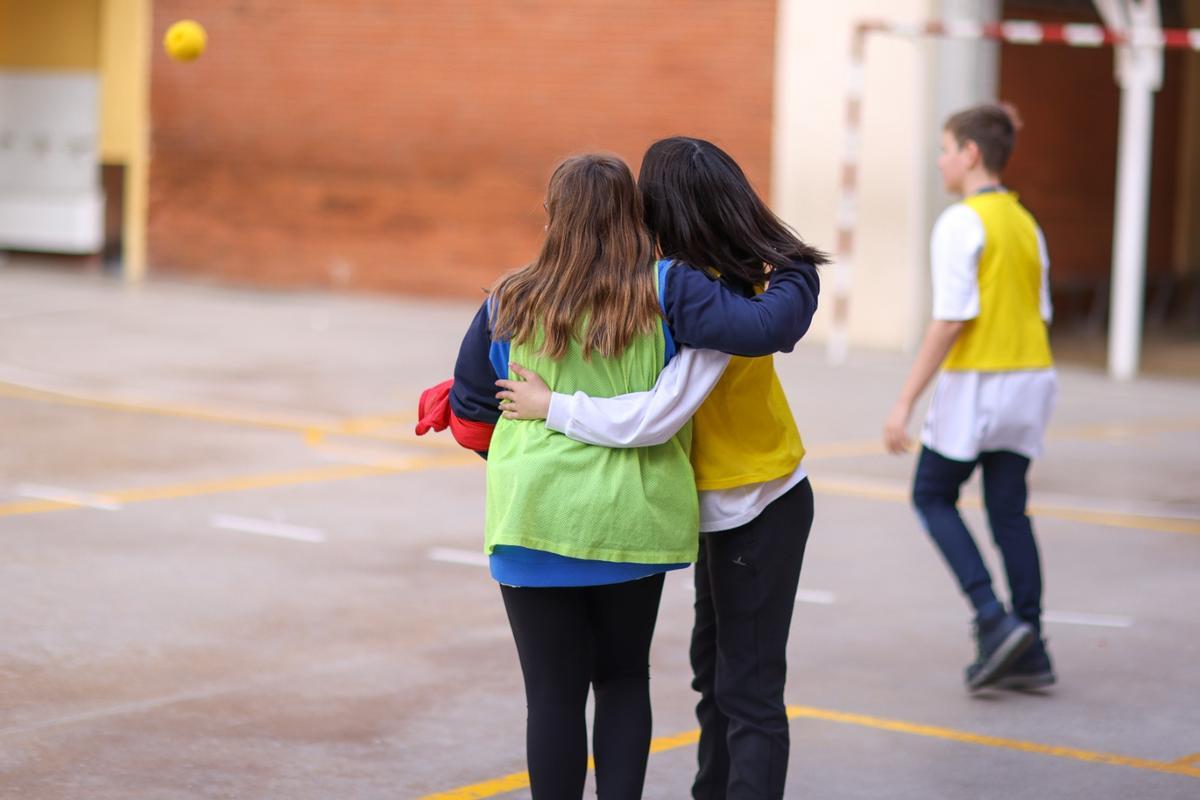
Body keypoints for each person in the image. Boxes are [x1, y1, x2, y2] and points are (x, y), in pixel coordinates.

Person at [422, 152, 819, 799]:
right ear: (636, 216)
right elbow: (735, 344)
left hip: (535, 519)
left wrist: (526, 452)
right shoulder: (669, 291)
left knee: (551, 697)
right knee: (623, 680)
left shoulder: (506, 299)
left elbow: (469, 414)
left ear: (552, 217)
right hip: (632, 521)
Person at [881, 103, 1057, 692]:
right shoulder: (1026, 221)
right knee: (1009, 508)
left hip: (981, 380)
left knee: (931, 495)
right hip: (1032, 377)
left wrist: (904, 402)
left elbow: (952, 319)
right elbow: (1043, 310)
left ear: (971, 154)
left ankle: (991, 616)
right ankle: (1031, 643)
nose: (940, 160)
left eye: (945, 148)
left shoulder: (961, 221)